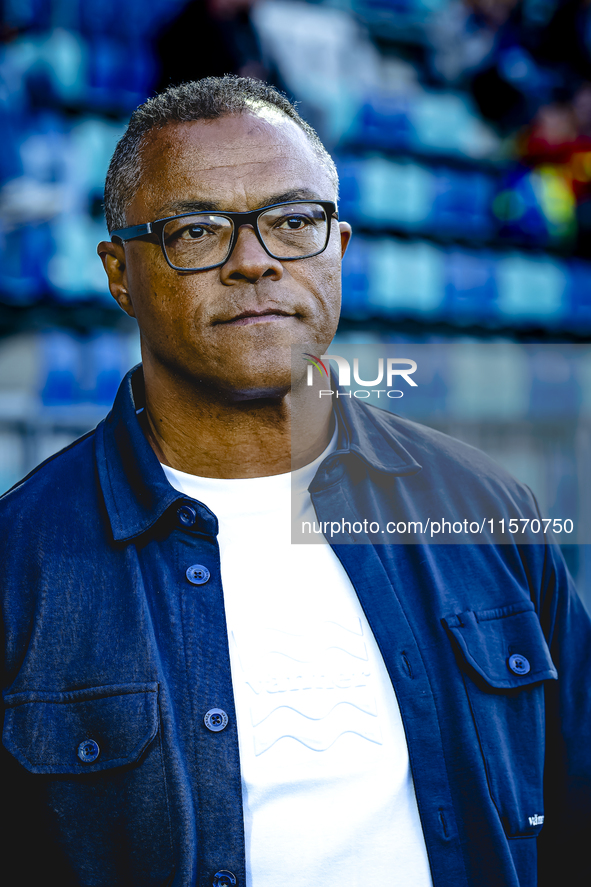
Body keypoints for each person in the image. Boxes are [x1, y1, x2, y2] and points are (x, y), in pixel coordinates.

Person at [1, 76, 589, 887]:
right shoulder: (19, 562)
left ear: (336, 250)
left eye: (291, 223)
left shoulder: (485, 509)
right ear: (118, 274)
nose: (254, 262)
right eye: (196, 230)